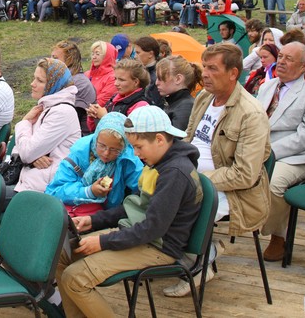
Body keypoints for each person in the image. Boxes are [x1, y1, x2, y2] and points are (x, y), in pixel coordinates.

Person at [57, 106, 203, 318]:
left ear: (160, 139)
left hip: (159, 247)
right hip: (141, 234)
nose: (135, 153)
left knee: (75, 278)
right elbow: (134, 205)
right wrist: (93, 220)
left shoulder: (174, 173)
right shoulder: (158, 161)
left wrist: (102, 242)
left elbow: (152, 229)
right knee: (62, 255)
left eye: (138, 146)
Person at [176, 44, 270, 296]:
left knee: (173, 210)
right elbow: (189, 139)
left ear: (233, 73)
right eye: (204, 67)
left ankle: (200, 260)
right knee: (144, 193)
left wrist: (196, 179)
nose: (204, 73)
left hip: (234, 193)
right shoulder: (204, 98)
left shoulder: (251, 114)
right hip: (192, 177)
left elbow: (244, 174)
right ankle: (185, 259)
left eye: (212, 68)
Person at [254, 42, 305, 262]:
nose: (281, 61)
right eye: (281, 56)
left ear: (303, 66)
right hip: (263, 149)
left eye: (289, 59)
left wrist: (269, 152)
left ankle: (278, 235)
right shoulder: (269, 86)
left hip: (302, 156)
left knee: (274, 183)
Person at [46, 111, 144, 218]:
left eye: (114, 150)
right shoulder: (79, 154)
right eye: (102, 146)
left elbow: (142, 187)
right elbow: (54, 191)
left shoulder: (127, 158)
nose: (106, 153)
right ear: (96, 138)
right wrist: (89, 191)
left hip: (106, 216)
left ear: (124, 147)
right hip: (71, 212)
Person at [10, 58, 82, 196]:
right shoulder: (46, 107)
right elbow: (19, 150)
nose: (32, 84)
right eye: (34, 78)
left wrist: (24, 122)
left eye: (40, 81)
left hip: (44, 191)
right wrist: (32, 159)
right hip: (28, 183)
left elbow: (27, 152)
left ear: (54, 85)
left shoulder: (62, 113)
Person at [52, 40, 96, 134]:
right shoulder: (65, 78)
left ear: (69, 60)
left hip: (79, 137)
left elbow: (64, 119)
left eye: (55, 58)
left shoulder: (78, 83)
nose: (50, 62)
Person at [88, 59, 152, 122]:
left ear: (136, 82)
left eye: (121, 80)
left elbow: (130, 131)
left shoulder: (141, 107)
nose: (116, 84)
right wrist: (94, 115)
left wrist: (105, 117)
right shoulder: (114, 100)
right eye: (115, 79)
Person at [155, 55, 202, 131]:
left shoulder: (185, 107)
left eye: (161, 78)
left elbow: (176, 139)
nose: (156, 83)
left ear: (178, 79)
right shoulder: (174, 102)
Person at [85, 41, 118, 131]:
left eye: (98, 54)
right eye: (93, 54)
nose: (94, 57)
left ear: (107, 56)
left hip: (98, 121)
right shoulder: (87, 74)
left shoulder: (112, 77)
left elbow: (101, 101)